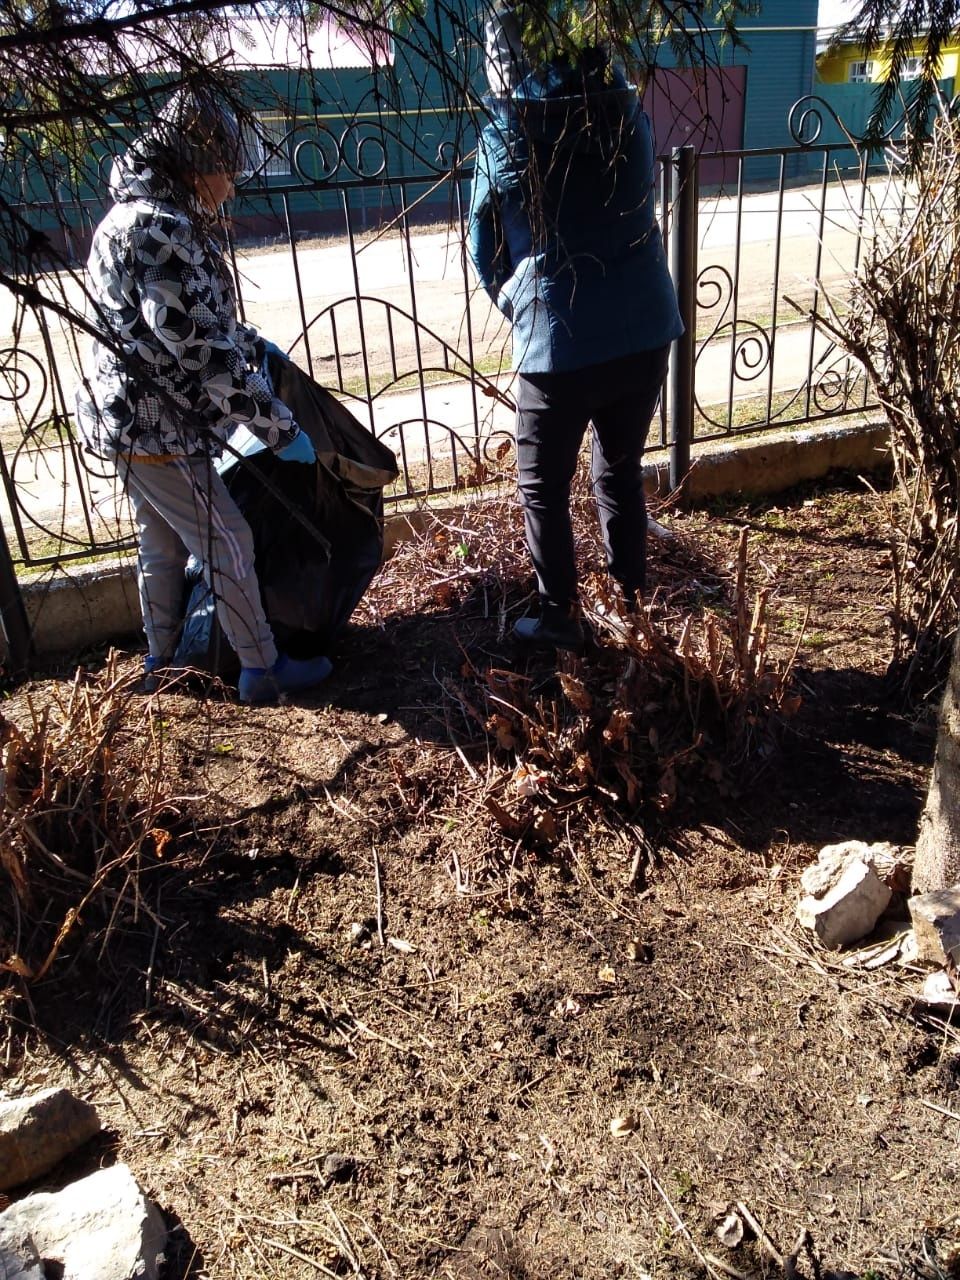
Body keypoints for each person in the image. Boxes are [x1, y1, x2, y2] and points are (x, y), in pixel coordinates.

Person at [77, 87, 333, 704]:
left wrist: (248, 339)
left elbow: (182, 324)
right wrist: (279, 429)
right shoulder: (159, 229)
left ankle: (160, 660)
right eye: (229, 168)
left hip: (126, 425)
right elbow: (196, 348)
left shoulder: (134, 219)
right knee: (228, 540)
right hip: (158, 428)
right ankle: (264, 670)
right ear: (195, 163)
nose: (234, 183)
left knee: (162, 543)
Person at [467, 10, 684, 652]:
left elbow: (485, 248)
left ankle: (561, 614)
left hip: (558, 338)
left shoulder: (507, 132)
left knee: (542, 483)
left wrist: (523, 304)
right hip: (646, 325)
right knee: (619, 467)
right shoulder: (628, 115)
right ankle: (631, 599)